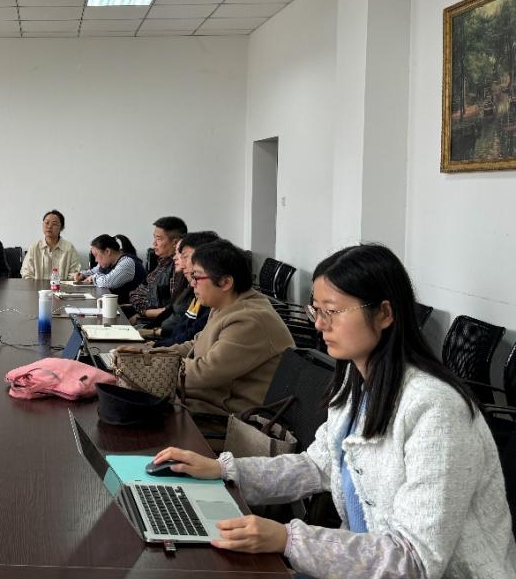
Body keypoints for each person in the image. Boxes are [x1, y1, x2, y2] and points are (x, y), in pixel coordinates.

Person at [151, 244, 516, 579]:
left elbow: (414, 561)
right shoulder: (355, 385)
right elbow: (317, 466)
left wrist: (289, 539)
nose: (319, 324)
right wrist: (223, 470)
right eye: (317, 310)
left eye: (333, 311)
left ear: (384, 313)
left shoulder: (435, 408)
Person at [153, 238, 293, 422]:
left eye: (197, 277)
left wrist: (149, 367)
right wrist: (149, 354)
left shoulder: (250, 320)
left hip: (228, 418)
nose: (192, 283)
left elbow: (204, 373)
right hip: (204, 402)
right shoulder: (225, 304)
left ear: (225, 282)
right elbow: (195, 344)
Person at [144, 230, 221, 345]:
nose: (177, 259)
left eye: (184, 256)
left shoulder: (211, 297)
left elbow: (190, 338)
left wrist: (155, 344)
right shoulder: (194, 287)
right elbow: (184, 331)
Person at [127, 216, 188, 325]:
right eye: (154, 238)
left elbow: (173, 311)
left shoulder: (180, 268)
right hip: (146, 316)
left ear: (175, 242)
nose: (154, 243)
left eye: (159, 239)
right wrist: (142, 311)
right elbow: (136, 293)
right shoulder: (162, 262)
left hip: (158, 324)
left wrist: (144, 313)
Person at [72, 234, 142, 302]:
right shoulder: (109, 263)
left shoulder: (127, 263)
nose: (96, 260)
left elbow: (107, 282)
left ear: (107, 251)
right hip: (113, 304)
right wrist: (82, 275)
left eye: (96, 255)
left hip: (126, 307)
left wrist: (93, 278)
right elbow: (94, 271)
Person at [20, 209, 82, 279]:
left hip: (62, 286)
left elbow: (74, 273)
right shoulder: (34, 247)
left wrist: (74, 277)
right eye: (46, 223)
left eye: (54, 224)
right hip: (37, 286)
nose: (49, 226)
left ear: (61, 228)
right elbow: (26, 273)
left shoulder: (69, 248)